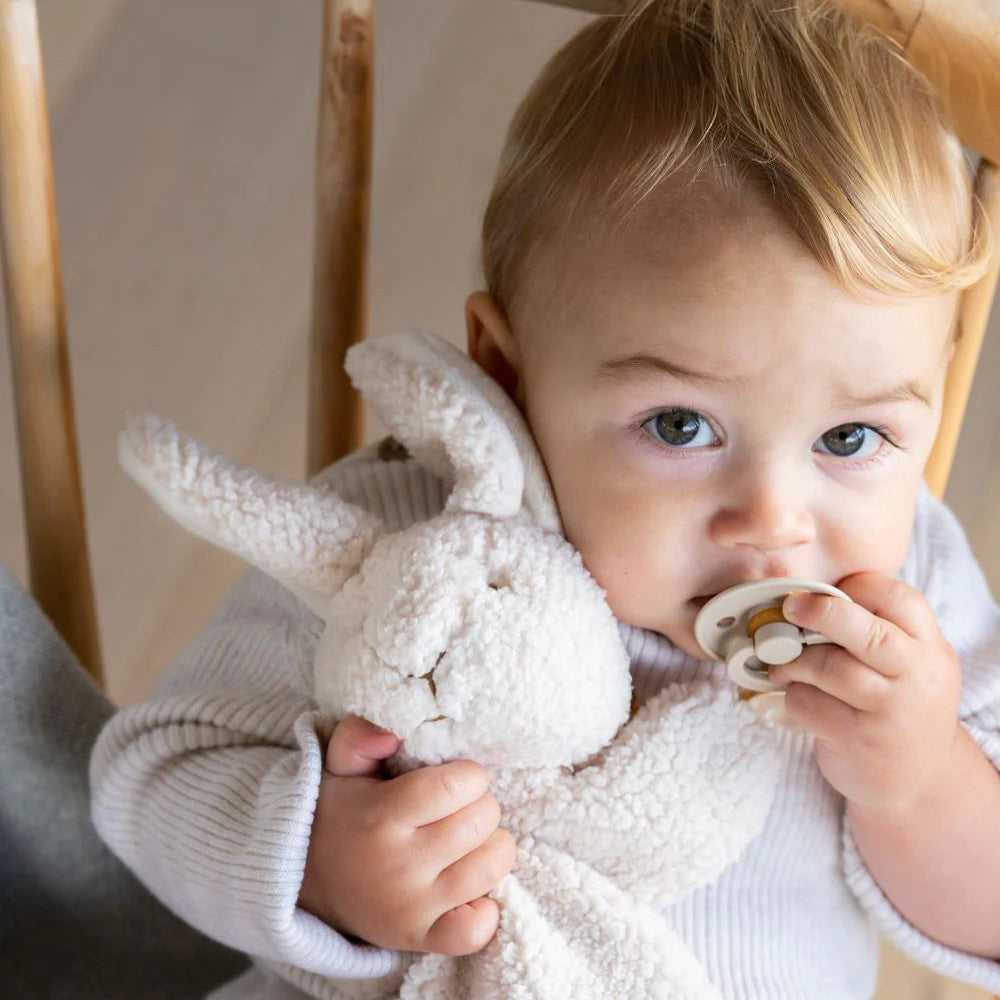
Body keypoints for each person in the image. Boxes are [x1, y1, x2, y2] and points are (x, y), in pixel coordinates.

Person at [90, 0, 1000, 997]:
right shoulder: (412, 537)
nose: (773, 521)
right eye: (679, 425)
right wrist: (320, 862)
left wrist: (920, 777)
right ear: (508, 372)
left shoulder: (908, 599)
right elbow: (156, 779)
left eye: (850, 439)